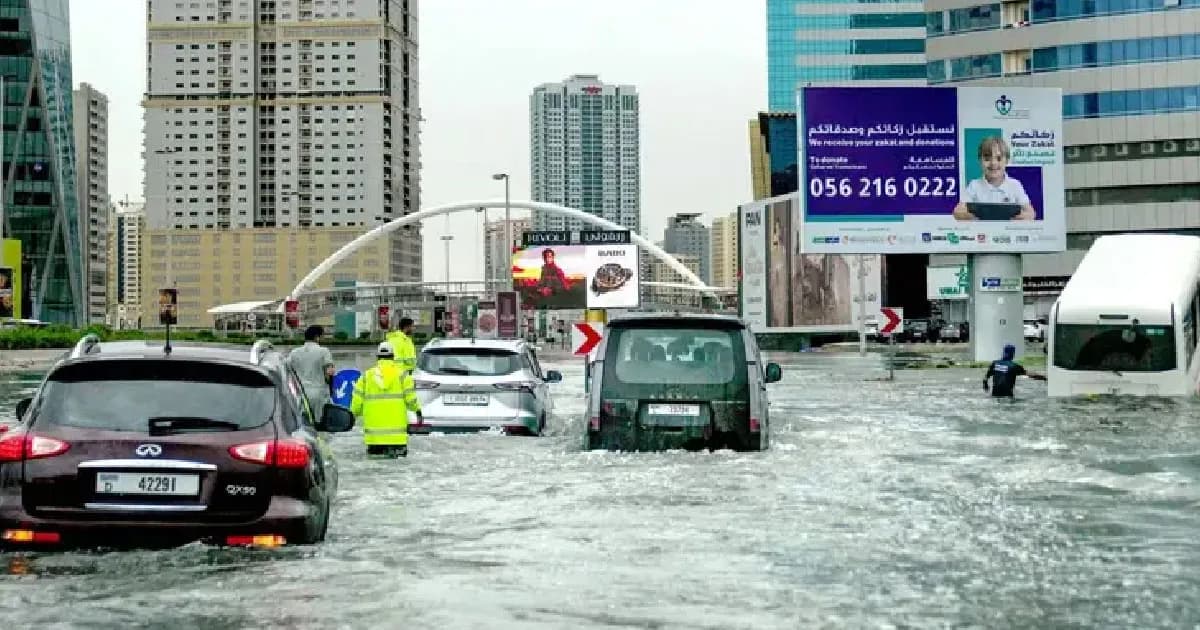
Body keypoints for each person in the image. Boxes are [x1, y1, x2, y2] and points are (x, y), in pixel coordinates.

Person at [350, 342, 423, 458]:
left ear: (377, 357)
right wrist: (418, 411)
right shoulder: (403, 376)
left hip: (374, 439)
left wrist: (351, 417)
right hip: (397, 439)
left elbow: (356, 404)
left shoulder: (366, 376)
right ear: (393, 357)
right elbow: (411, 400)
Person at [953, 136, 1037, 221]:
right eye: (987, 159)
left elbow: (1031, 213)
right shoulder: (974, 185)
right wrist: (967, 216)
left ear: (1007, 161)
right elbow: (957, 212)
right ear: (980, 160)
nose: (993, 163)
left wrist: (1023, 217)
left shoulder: (1015, 185)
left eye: (999, 158)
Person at [285, 325, 336, 416]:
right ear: (317, 337)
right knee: (318, 424)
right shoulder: (324, 351)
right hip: (318, 394)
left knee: (302, 423)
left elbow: (286, 370)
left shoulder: (294, 352)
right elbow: (329, 372)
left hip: (300, 394)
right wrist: (331, 389)